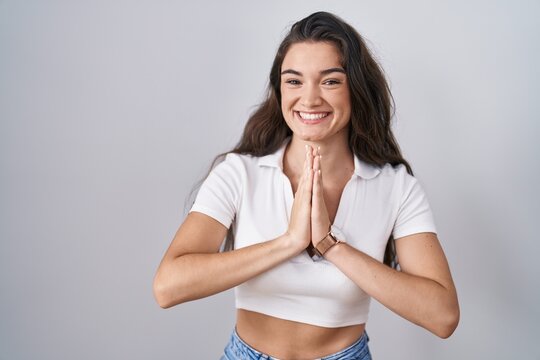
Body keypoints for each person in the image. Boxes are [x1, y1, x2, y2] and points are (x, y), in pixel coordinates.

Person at [153, 11, 459, 360]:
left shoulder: (395, 187)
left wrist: (332, 246)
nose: (310, 99)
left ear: (356, 90)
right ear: (279, 89)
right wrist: (288, 243)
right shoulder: (238, 173)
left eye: (330, 81)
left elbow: (443, 316)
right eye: (294, 81)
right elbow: (167, 287)